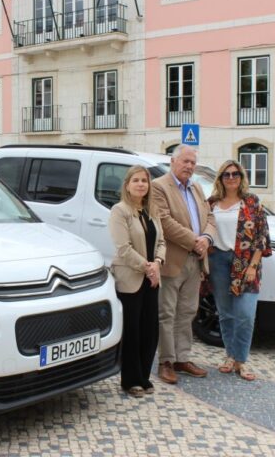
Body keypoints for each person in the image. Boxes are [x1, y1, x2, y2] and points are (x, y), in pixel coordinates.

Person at [151, 144, 217, 385]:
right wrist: (194, 241)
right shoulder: (159, 187)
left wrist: (207, 238)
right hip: (172, 260)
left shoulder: (197, 187)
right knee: (166, 313)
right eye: (185, 161)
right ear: (173, 161)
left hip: (196, 260)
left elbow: (210, 217)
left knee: (187, 311)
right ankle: (166, 362)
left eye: (192, 162)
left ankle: (182, 358)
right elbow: (164, 222)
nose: (189, 166)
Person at [206, 159, 271, 381]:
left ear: (242, 177)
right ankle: (230, 356)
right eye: (226, 174)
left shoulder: (252, 202)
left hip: (246, 263)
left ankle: (241, 360)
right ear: (220, 178)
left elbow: (262, 237)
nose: (231, 178)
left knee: (245, 314)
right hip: (218, 262)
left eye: (235, 174)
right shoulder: (211, 203)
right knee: (225, 313)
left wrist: (253, 265)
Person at [109, 165, 166, 398]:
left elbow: (162, 241)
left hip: (152, 278)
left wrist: (158, 263)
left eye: (144, 180)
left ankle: (144, 376)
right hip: (131, 278)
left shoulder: (152, 210)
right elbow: (123, 248)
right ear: (127, 185)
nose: (141, 184)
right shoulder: (119, 211)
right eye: (136, 180)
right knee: (132, 330)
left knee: (150, 330)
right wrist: (147, 267)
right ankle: (130, 380)